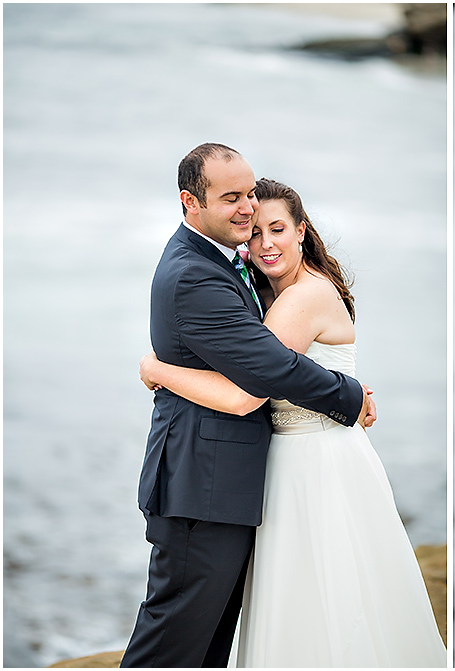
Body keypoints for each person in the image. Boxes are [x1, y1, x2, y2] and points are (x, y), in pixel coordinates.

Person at [138, 177, 447, 667]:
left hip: (315, 463)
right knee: (300, 599)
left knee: (321, 602)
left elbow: (243, 392)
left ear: (302, 231)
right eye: (254, 232)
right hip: (287, 461)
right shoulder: (269, 295)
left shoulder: (303, 298)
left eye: (277, 229)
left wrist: (159, 370)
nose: (264, 244)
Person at [121, 144, 373, 668]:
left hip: (223, 487)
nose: (247, 208)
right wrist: (350, 395)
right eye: (231, 197)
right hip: (200, 489)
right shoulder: (196, 275)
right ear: (191, 202)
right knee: (169, 648)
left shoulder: (224, 261)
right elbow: (269, 371)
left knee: (205, 647)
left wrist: (160, 371)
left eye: (250, 193)